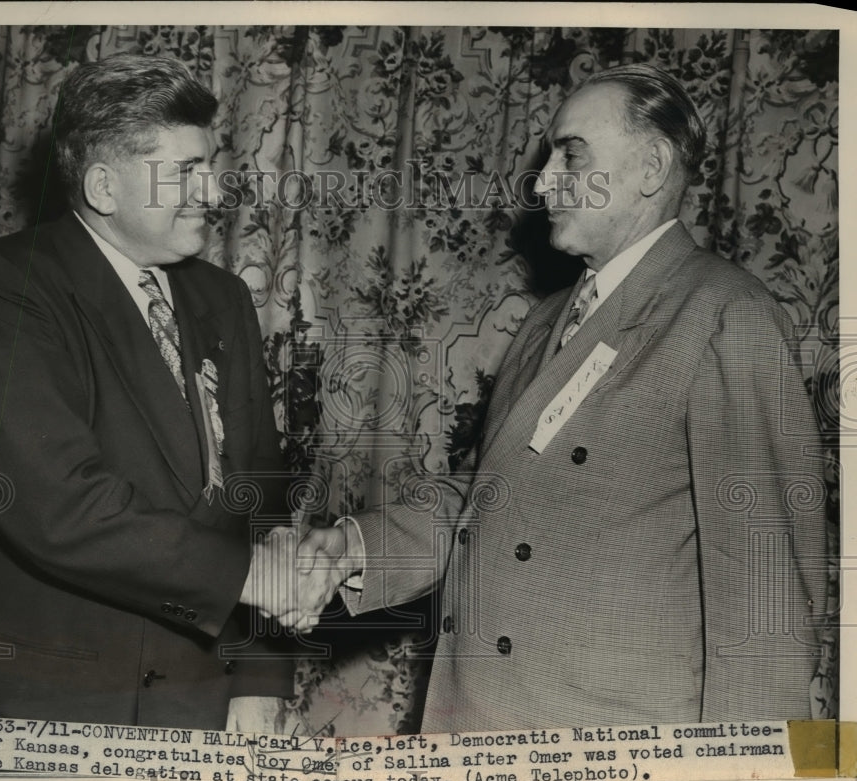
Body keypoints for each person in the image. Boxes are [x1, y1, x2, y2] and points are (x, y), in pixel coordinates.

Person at [294, 64, 828, 731]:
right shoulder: (546, 320)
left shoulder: (726, 314)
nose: (543, 181)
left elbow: (764, 594)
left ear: (651, 166)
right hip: (478, 724)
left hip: (611, 743)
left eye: (570, 155)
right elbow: (492, 494)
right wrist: (355, 549)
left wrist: (753, 774)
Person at [0, 53, 329, 731]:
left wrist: (257, 678)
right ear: (105, 187)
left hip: (195, 703)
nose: (214, 192)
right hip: (40, 712)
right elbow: (57, 503)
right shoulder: (1, 288)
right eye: (186, 171)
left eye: (210, 164)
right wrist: (251, 578)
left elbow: (261, 491)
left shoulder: (221, 298)